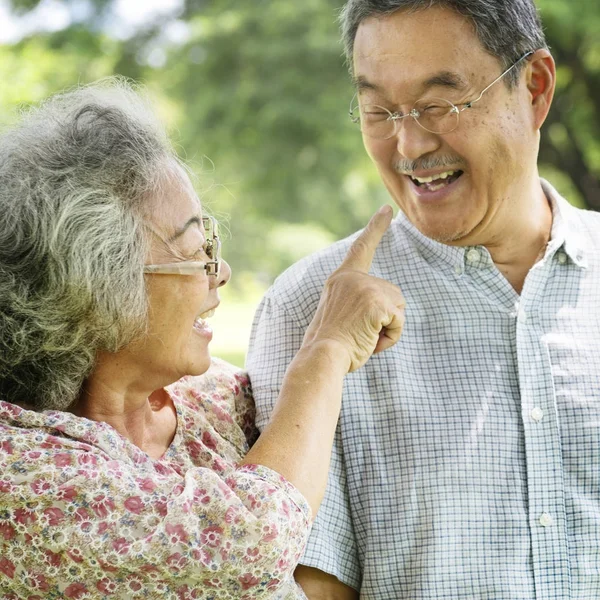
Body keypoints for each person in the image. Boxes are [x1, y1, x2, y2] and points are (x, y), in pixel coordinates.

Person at [247, 1, 600, 598]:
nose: (408, 145)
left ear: (535, 88)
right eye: (378, 111)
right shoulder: (311, 309)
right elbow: (311, 584)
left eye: (439, 104)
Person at [0, 79, 405, 599]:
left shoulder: (216, 398)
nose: (221, 272)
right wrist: (325, 350)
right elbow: (251, 541)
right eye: (195, 252)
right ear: (97, 287)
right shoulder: (25, 476)